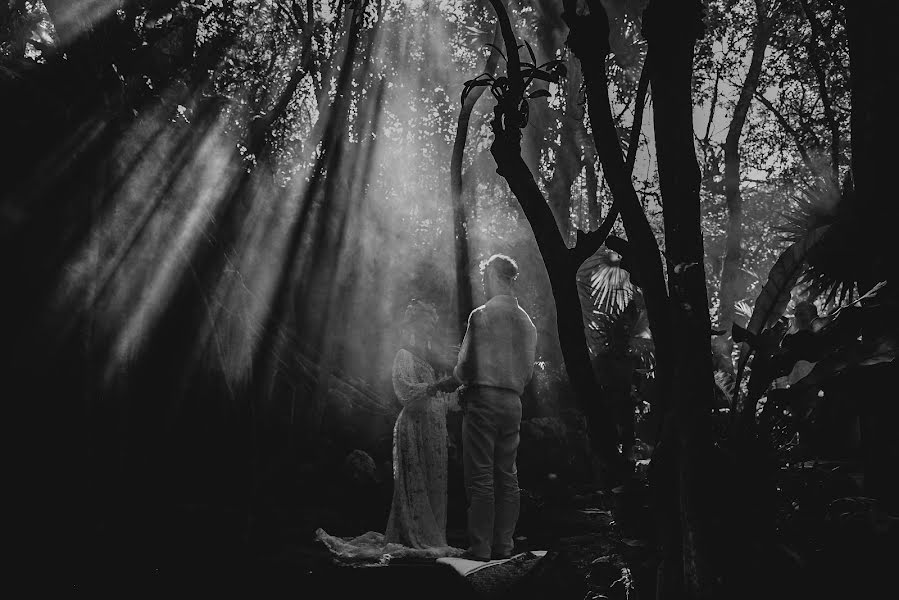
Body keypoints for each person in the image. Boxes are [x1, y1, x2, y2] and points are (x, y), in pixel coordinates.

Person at [315, 300, 463, 562]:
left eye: (432, 320)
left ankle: (432, 533)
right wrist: (435, 386)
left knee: (432, 482)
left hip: (434, 427)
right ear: (416, 322)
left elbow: (447, 398)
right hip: (414, 425)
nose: (431, 325)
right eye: (427, 320)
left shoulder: (433, 355)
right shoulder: (404, 353)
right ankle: (412, 533)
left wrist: (453, 389)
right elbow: (404, 391)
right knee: (414, 482)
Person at [454, 254, 537, 561]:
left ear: (493, 276)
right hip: (513, 402)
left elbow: (463, 367)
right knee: (507, 474)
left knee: (481, 476)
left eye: (486, 276)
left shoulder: (481, 316)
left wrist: (463, 380)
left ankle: (480, 547)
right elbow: (528, 372)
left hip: (483, 400)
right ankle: (504, 545)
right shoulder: (528, 323)